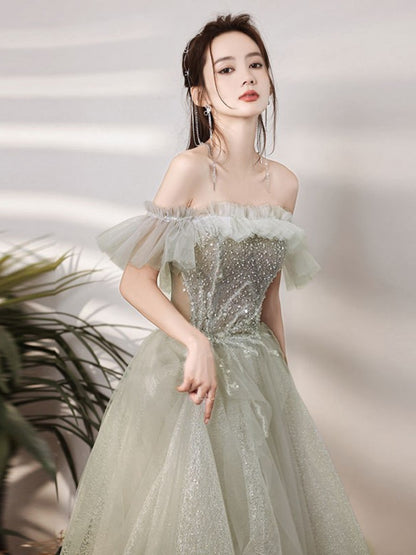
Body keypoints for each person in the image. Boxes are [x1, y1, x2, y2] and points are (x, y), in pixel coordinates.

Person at [60, 12, 371, 554]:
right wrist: (196, 342)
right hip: (188, 371)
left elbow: (269, 294)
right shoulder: (189, 170)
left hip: (259, 371)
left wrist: (282, 381)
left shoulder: (285, 184)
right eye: (226, 69)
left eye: (256, 64)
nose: (246, 76)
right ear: (201, 95)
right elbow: (136, 281)